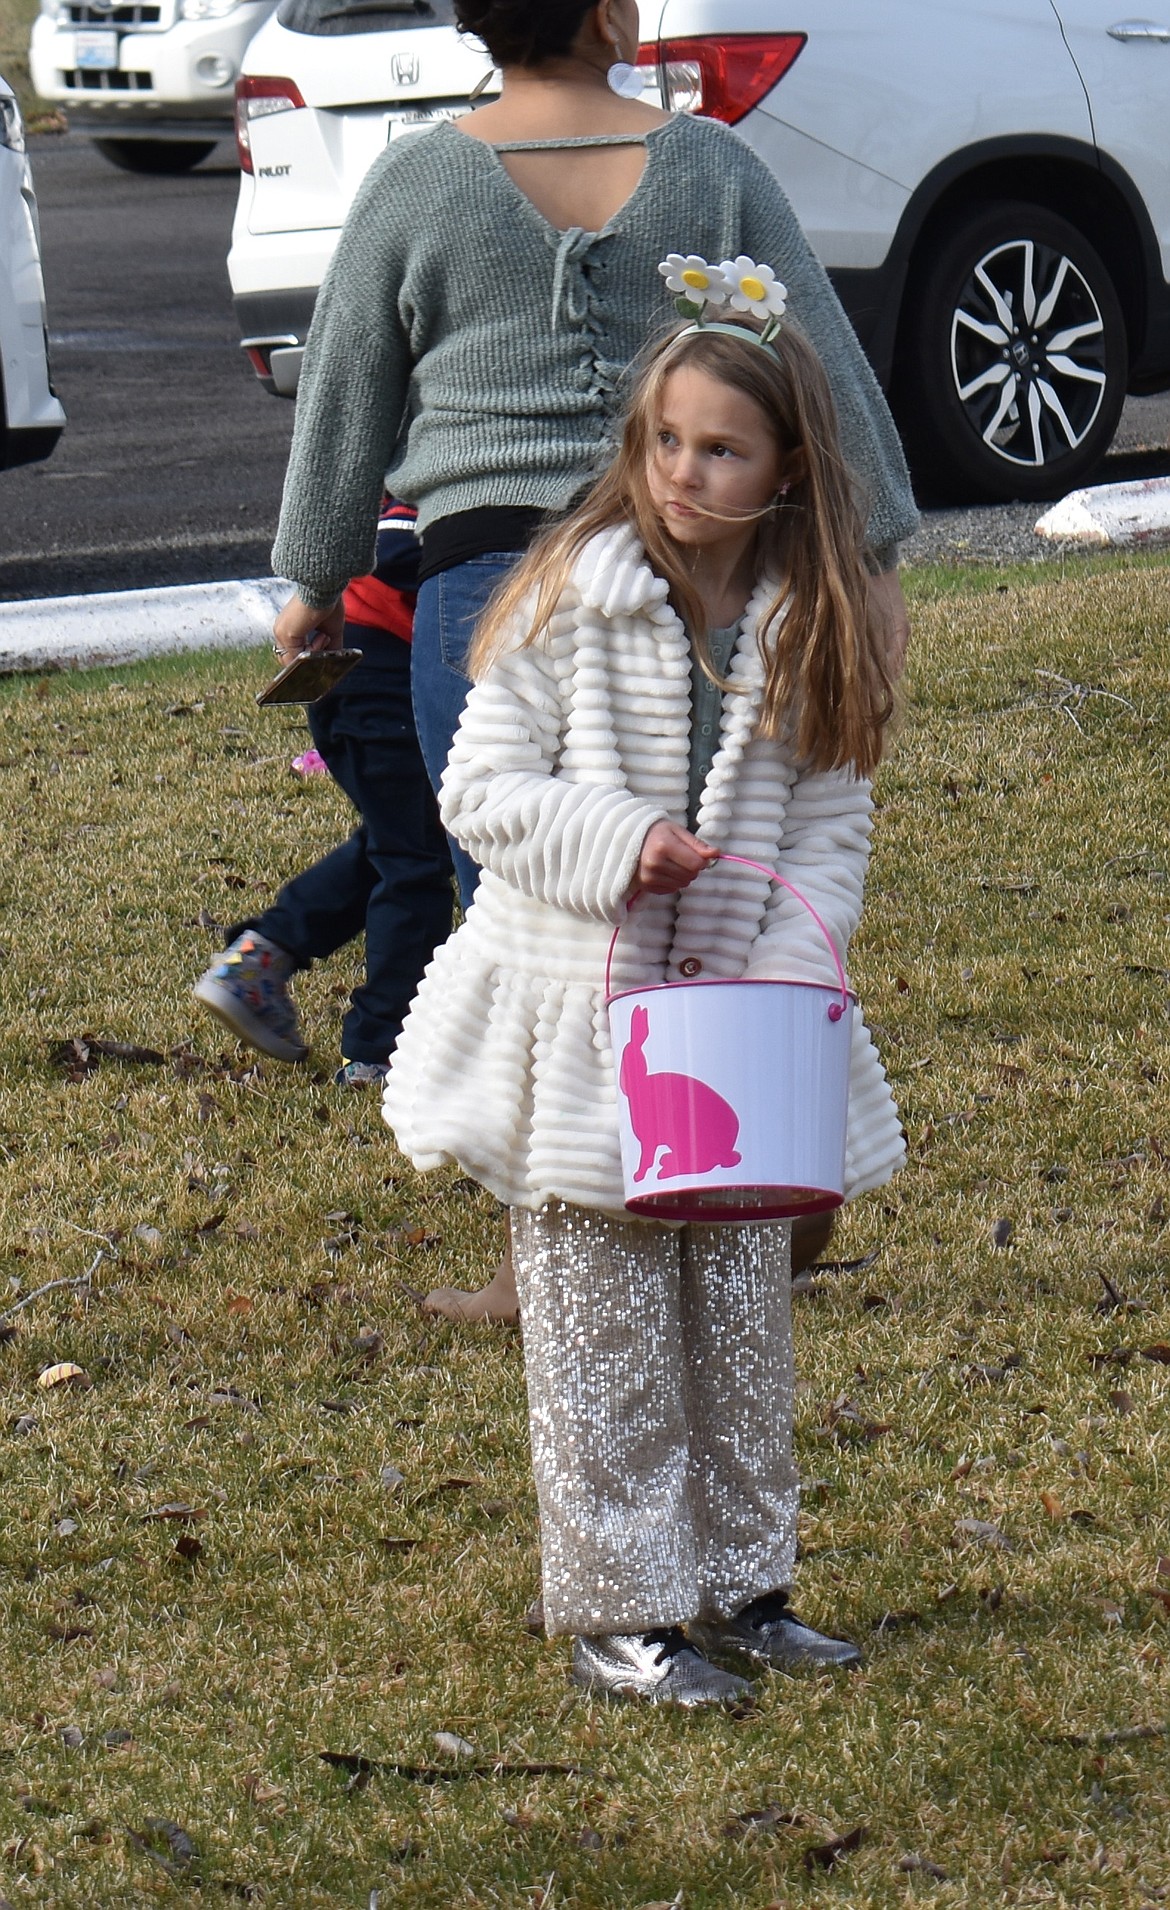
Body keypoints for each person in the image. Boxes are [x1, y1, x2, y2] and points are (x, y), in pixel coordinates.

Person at [268, 0, 918, 1314]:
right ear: (611, 9)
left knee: (533, 918)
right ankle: (729, 1159)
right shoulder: (709, 167)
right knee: (706, 879)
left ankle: (549, 1249)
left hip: (483, 592)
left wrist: (313, 573)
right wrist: (874, 546)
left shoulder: (415, 177)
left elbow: (347, 382)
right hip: (691, 574)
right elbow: (820, 363)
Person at [381, 281, 906, 1704]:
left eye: (721, 449)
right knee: (600, 1321)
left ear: (787, 463)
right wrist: (620, 845)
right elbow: (480, 791)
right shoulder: (569, 594)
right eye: (665, 441)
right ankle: (625, 1607)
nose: (683, 473)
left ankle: (745, 1581)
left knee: (738, 1314)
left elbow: (827, 826)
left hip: (735, 1033)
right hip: (581, 1028)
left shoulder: (813, 621)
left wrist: (795, 973)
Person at [194, 501, 453, 1084]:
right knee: (413, 860)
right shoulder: (435, 466)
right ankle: (381, 1051)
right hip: (373, 667)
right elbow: (397, 547)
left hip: (371, 664)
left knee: (404, 839)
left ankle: (261, 960)